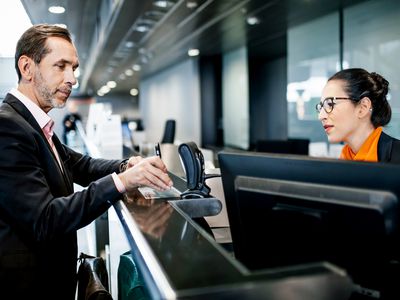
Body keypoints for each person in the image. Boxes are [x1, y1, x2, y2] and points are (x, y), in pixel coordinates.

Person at [0, 24, 173, 299]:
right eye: (61, 66)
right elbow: (45, 219)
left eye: (74, 68)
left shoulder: (34, 124)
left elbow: (82, 166)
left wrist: (127, 166)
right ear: (27, 67)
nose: (72, 79)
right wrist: (121, 182)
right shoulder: (8, 126)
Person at [317, 68, 400, 162]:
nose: (321, 116)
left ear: (363, 107)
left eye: (330, 104)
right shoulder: (343, 161)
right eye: (321, 107)